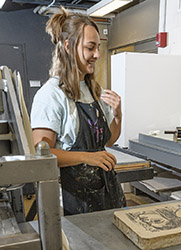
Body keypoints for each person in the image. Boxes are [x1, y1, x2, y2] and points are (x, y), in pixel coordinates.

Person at [31, 8, 126, 215]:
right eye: (90, 48)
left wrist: (118, 116)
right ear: (68, 47)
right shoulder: (51, 95)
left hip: (106, 193)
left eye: (98, 48)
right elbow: (41, 154)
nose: (97, 55)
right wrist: (88, 157)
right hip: (72, 200)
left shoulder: (93, 90)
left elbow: (108, 141)